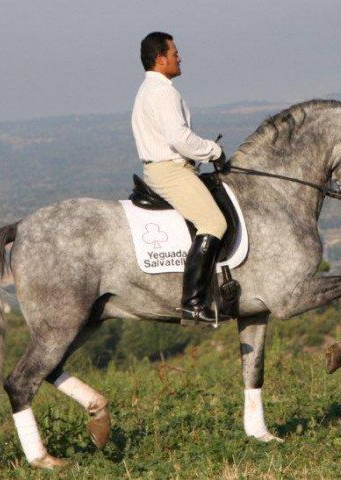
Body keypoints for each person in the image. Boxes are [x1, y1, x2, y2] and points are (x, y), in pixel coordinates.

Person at [131, 31, 230, 326]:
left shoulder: (149, 90)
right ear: (161, 60)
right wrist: (214, 151)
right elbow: (180, 138)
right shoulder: (162, 92)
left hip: (164, 167)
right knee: (214, 223)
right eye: (175, 53)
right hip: (170, 170)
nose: (179, 57)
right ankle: (193, 304)